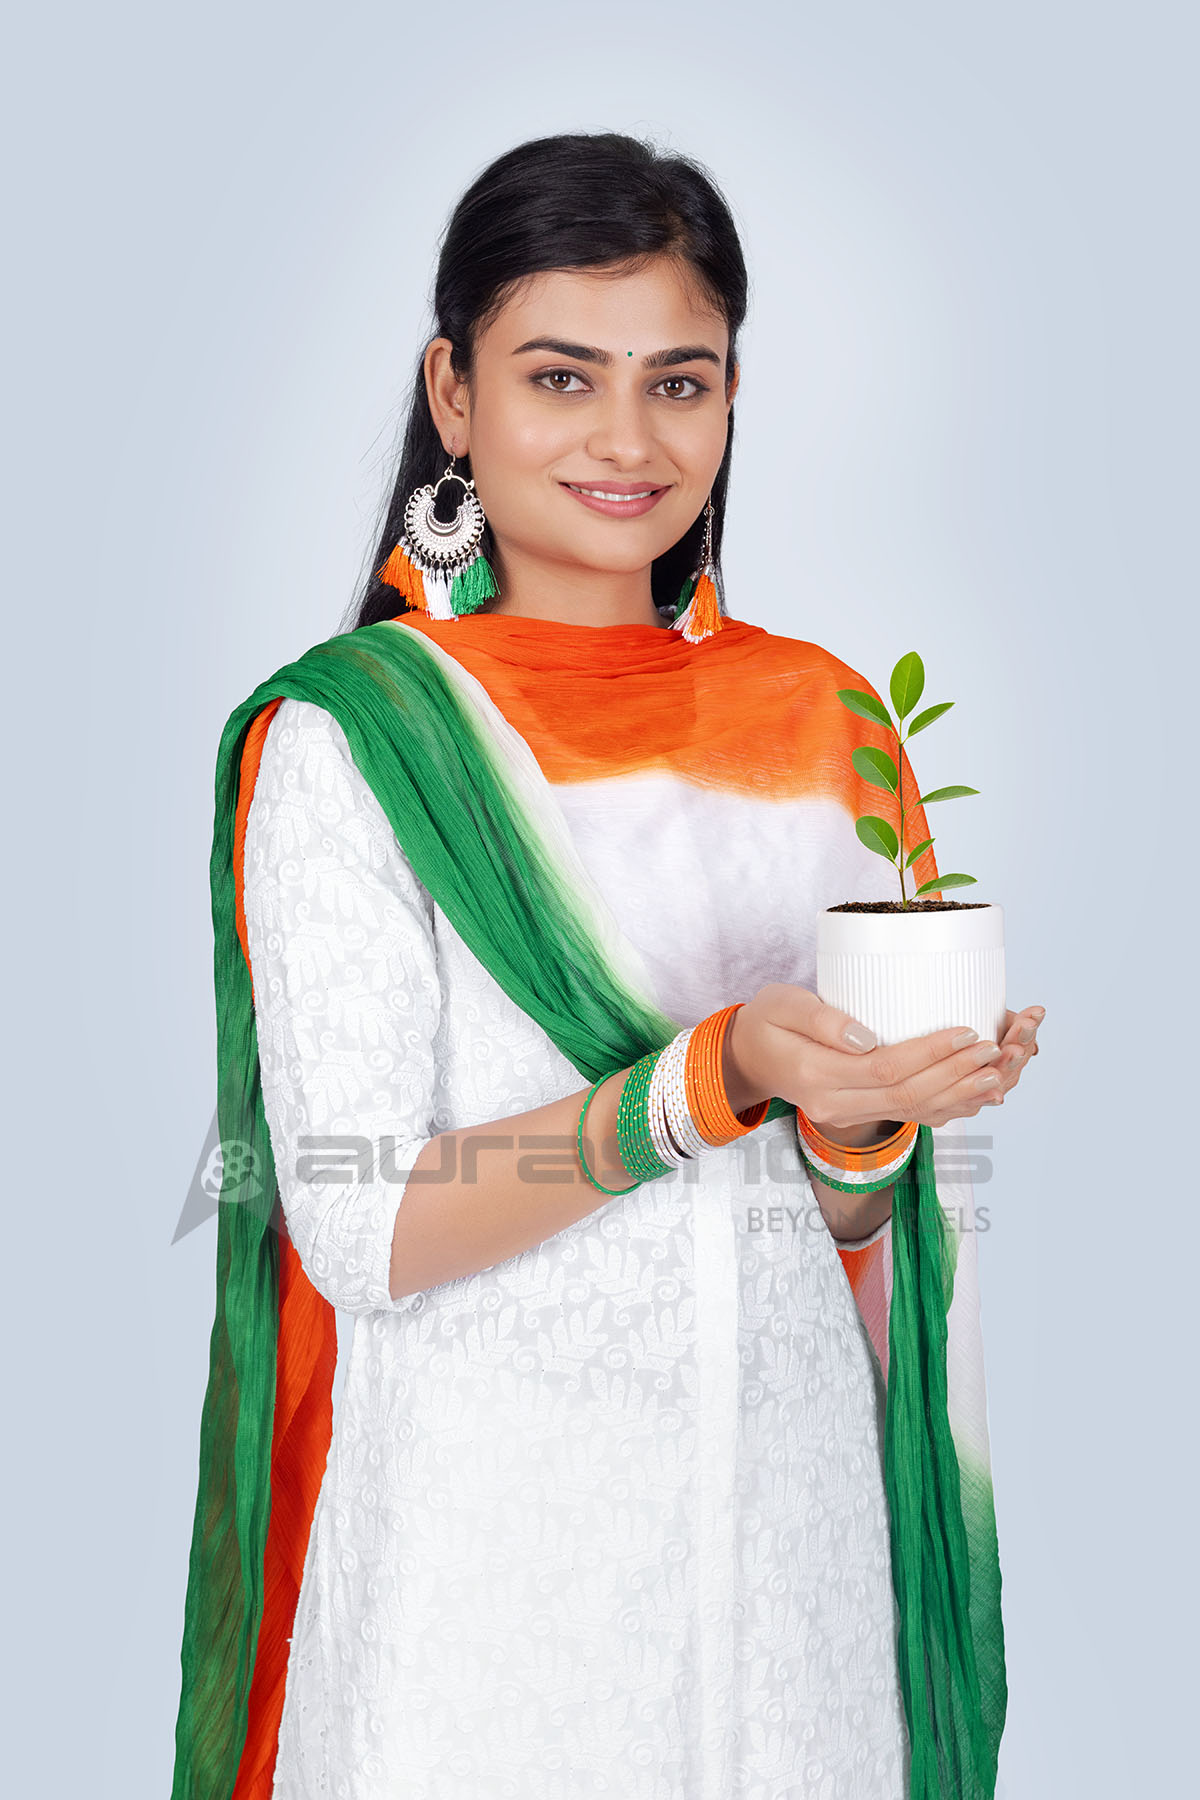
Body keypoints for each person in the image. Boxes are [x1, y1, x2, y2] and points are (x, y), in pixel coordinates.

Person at [171, 132, 1043, 1800]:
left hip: (795, 1580)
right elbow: (364, 1228)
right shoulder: (356, 738)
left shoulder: (826, 724)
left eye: (682, 381)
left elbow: (852, 1230)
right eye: (562, 376)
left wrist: (870, 1122)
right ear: (453, 388)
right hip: (490, 1586)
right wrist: (713, 1076)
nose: (630, 441)